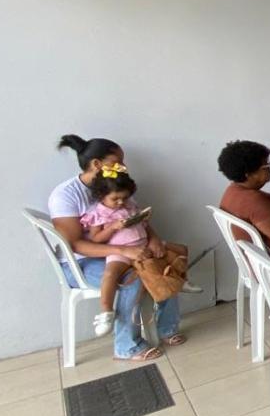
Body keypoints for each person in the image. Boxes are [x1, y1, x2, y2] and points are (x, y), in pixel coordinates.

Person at [49, 135, 182, 361]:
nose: (123, 166)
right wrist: (122, 252)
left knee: (163, 262)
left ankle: (167, 328)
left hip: (117, 251)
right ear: (97, 165)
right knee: (134, 277)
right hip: (79, 262)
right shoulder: (65, 195)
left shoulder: (116, 187)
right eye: (118, 161)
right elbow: (75, 245)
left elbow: (135, 219)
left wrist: (153, 238)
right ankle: (126, 346)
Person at [80, 166, 187, 336]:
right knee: (110, 275)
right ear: (101, 196)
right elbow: (96, 239)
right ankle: (106, 311)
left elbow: (143, 225)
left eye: (124, 198)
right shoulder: (98, 213)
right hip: (120, 252)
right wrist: (113, 227)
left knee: (180, 249)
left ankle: (180, 279)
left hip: (143, 246)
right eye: (115, 199)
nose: (121, 202)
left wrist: (143, 219)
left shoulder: (131, 205)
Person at [217, 140, 270, 255]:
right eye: (266, 165)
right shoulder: (252, 201)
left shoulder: (232, 191)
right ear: (248, 173)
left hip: (258, 263)